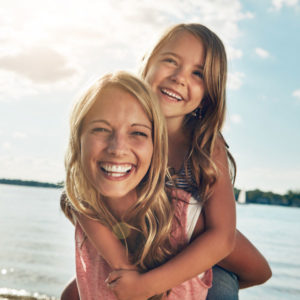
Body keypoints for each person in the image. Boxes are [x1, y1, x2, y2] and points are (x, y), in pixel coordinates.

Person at [61, 23, 272, 300]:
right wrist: (125, 269)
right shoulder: (121, 124)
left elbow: (222, 239)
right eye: (170, 61)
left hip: (192, 238)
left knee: (237, 278)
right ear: (146, 64)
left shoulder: (205, 143)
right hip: (138, 237)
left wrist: (154, 284)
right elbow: (80, 194)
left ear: (209, 93)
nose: (179, 78)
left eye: (198, 73)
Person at [61, 71, 213, 300]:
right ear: (78, 139)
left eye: (138, 133)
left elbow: (257, 271)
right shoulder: (83, 210)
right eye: (101, 129)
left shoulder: (186, 219)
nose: (117, 148)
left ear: (157, 147)